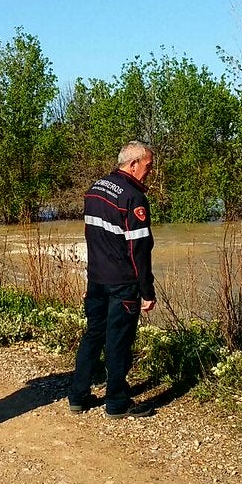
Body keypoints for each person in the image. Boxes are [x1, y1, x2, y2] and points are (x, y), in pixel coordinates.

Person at [69, 140, 157, 419]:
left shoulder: (96, 189)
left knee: (93, 336)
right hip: (122, 283)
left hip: (96, 279)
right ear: (133, 164)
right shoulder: (133, 197)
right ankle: (117, 402)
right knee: (118, 342)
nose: (150, 172)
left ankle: (78, 396)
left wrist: (90, 278)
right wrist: (147, 290)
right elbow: (139, 249)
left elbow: (92, 238)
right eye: (148, 166)